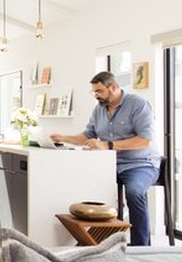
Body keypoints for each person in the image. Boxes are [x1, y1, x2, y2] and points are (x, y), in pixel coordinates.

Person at [50, 71, 160, 245]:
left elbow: (145, 140)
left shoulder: (138, 104)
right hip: (109, 165)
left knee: (134, 192)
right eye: (93, 92)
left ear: (113, 87)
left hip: (140, 164)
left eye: (99, 91)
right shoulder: (99, 109)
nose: (96, 96)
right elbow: (87, 135)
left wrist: (107, 145)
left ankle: (141, 247)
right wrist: (63, 138)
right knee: (86, 189)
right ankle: (97, 242)